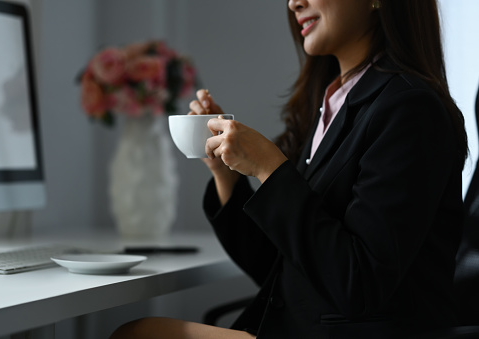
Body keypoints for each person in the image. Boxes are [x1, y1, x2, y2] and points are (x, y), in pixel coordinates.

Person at [110, 0, 468, 338]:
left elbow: (361, 285)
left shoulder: (410, 108)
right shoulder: (333, 104)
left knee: (137, 333)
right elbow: (281, 268)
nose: (293, 2)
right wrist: (226, 174)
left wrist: (270, 168)